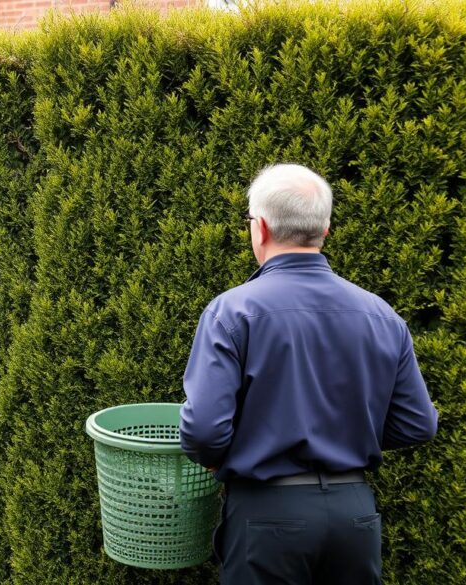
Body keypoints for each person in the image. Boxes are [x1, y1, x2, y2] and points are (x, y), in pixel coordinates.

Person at [179, 164, 438, 584]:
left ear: (260, 228)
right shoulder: (381, 315)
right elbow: (418, 424)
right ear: (325, 229)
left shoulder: (232, 311)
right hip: (355, 517)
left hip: (266, 515)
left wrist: (235, 451)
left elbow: (205, 430)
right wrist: (349, 435)